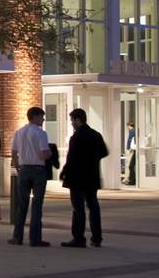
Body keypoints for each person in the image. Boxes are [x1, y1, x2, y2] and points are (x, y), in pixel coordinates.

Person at [61, 107, 109, 248]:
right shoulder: (96, 135)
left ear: (78, 119)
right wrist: (92, 160)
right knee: (93, 206)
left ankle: (78, 238)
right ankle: (97, 237)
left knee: (78, 208)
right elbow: (103, 152)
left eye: (72, 120)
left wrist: (64, 172)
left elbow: (71, 158)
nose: (72, 124)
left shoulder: (76, 137)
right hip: (92, 177)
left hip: (77, 178)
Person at [9, 106, 52, 246]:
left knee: (22, 205)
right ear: (34, 117)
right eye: (41, 116)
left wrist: (17, 167)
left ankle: (17, 237)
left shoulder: (19, 132)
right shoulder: (41, 133)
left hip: (24, 170)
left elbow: (14, 152)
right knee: (37, 205)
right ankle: (35, 238)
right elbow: (43, 154)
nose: (43, 119)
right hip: (38, 170)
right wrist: (51, 153)